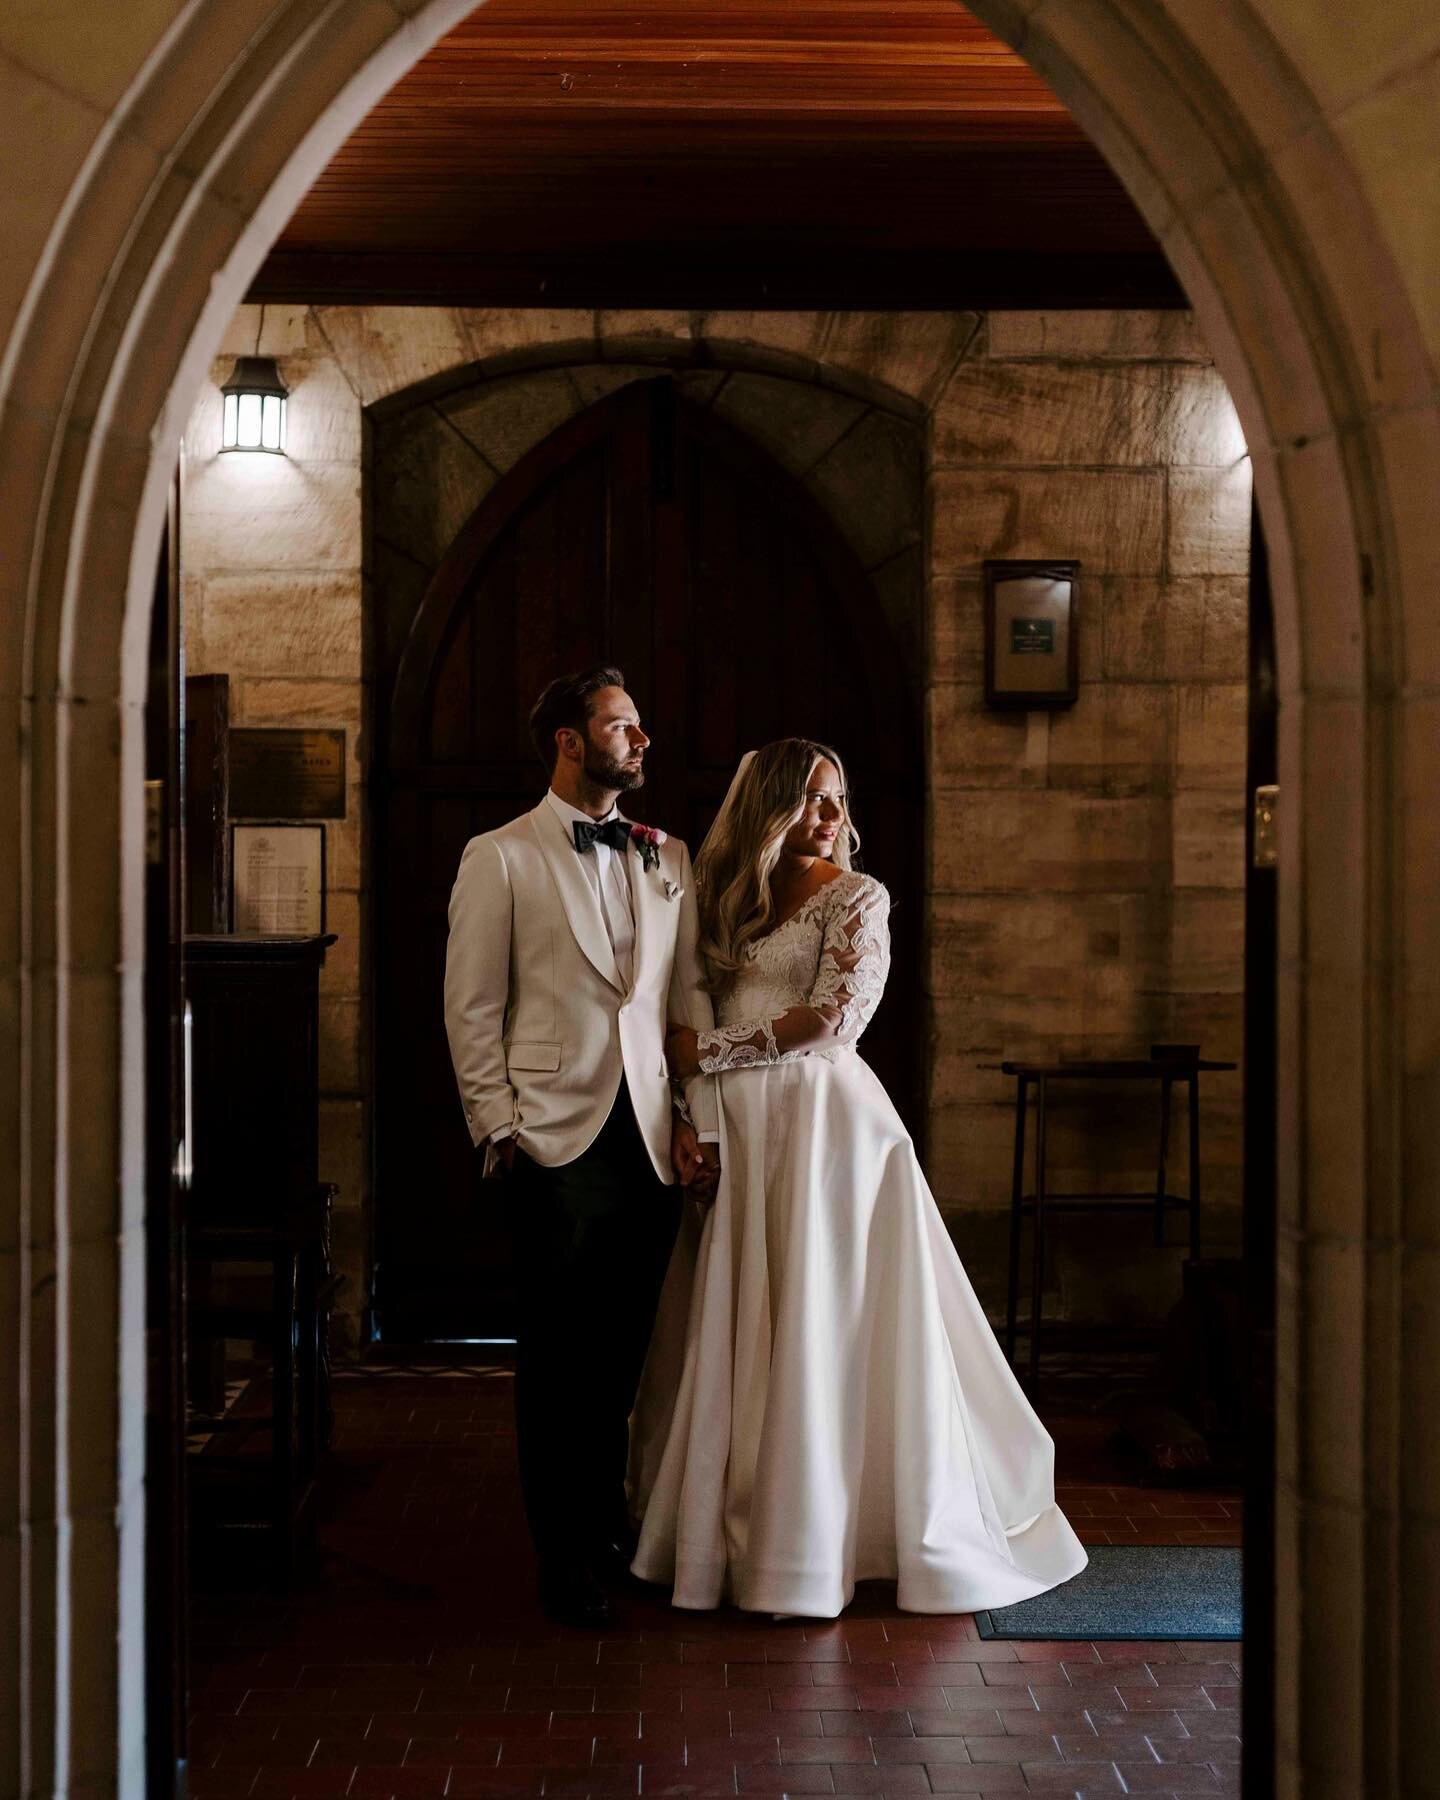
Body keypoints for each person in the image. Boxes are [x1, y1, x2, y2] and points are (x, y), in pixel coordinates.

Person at [629, 738, 1088, 1618]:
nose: (830, 816)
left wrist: (708, 1054)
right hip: (744, 1129)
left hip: (823, 1126)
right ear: (768, 805)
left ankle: (814, 1545)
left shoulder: (858, 897)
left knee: (822, 1316)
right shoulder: (728, 901)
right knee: (748, 1321)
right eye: (810, 799)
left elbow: (838, 1017)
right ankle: (737, 1530)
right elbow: (689, 1002)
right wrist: (697, 1107)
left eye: (837, 798)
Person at [443, 665, 720, 1628]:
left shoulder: (668, 855)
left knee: (622, 1355)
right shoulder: (501, 856)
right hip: (551, 1142)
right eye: (622, 726)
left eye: (640, 727)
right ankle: (560, 1557)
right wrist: (498, 1130)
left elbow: (684, 1001)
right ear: (569, 739)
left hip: (645, 1142)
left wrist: (695, 1121)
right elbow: (472, 1006)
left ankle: (606, 1523)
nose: (641, 741)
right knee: (557, 1361)